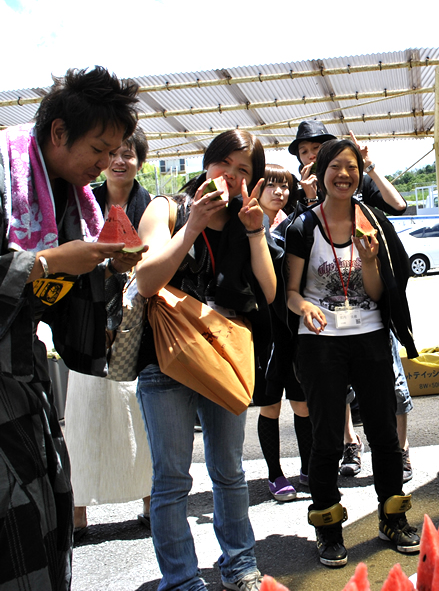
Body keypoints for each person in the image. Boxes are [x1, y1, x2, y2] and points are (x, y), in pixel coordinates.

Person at [0, 66, 139, 590]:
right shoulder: (4, 172)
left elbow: (69, 316)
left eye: (115, 153)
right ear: (58, 133)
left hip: (25, 383)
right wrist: (48, 262)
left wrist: (103, 271)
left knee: (46, 520)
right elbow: (43, 267)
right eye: (99, 150)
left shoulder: (72, 198)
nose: (106, 166)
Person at [135, 130, 275, 591]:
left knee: (230, 471)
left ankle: (240, 565)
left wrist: (256, 231)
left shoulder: (246, 219)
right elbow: (147, 281)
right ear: (207, 162)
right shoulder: (166, 208)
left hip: (224, 358)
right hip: (166, 361)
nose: (231, 179)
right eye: (225, 166)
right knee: (172, 478)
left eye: (243, 172)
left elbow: (269, 292)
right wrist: (191, 225)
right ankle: (180, 581)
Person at [285, 139, 419, 567]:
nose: (344, 174)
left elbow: (379, 294)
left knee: (383, 432)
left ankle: (393, 516)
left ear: (361, 172)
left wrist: (370, 262)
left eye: (352, 166)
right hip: (319, 342)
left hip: (370, 336)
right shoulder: (302, 227)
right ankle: (328, 527)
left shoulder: (373, 223)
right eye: (335, 167)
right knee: (326, 437)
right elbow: (289, 292)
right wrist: (305, 305)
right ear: (320, 171)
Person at [65, 128, 153, 538]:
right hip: (87, 314)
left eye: (128, 154)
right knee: (83, 410)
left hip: (138, 319)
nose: (119, 161)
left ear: (140, 161)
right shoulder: (82, 200)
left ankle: (150, 500)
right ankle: (77, 509)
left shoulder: (151, 206)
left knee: (138, 410)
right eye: (113, 153)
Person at [251, 164, 313, 502]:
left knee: (302, 403)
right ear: (257, 189)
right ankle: (275, 474)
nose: (280, 192)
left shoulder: (294, 223)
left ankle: (307, 467)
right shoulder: (250, 225)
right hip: (265, 330)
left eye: (286, 186)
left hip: (294, 327)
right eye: (272, 186)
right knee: (270, 404)